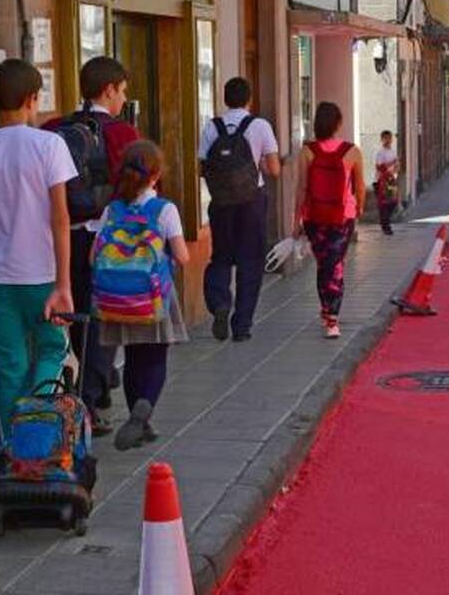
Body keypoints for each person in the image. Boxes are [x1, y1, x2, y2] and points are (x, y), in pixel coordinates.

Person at [0, 58, 75, 441]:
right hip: (40, 274)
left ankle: (15, 450)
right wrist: (64, 284)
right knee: (53, 348)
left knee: (8, 366)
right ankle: (40, 434)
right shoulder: (49, 145)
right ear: (31, 99)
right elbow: (60, 219)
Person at [41, 56, 141, 435]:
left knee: (73, 316)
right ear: (109, 89)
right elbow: (139, 189)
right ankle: (93, 399)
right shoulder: (123, 135)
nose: (123, 98)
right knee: (103, 320)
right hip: (105, 238)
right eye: (123, 91)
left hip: (61, 237)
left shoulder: (53, 128)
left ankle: (76, 390)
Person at [90, 141, 190, 451]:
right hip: (154, 296)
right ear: (156, 175)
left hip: (118, 299)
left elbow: (93, 257)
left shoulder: (112, 209)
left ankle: (139, 420)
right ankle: (143, 408)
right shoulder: (164, 210)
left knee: (132, 356)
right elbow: (183, 256)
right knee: (155, 356)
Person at [199, 77, 281, 342]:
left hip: (221, 203)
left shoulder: (212, 127)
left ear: (224, 99)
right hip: (251, 203)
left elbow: (203, 165)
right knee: (251, 263)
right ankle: (242, 325)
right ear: (249, 99)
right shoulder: (260, 126)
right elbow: (274, 170)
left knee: (221, 257)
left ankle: (220, 302)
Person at [295, 102, 366, 339]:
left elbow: (302, 188)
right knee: (335, 265)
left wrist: (297, 219)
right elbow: (359, 187)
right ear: (338, 123)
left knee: (324, 264)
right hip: (342, 218)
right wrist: (360, 209)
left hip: (314, 218)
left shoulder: (307, 152)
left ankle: (327, 310)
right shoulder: (352, 152)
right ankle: (332, 317)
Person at [373, 130, 399, 236]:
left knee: (393, 202)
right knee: (384, 204)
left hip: (392, 180)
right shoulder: (381, 152)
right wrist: (392, 163)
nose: (388, 140)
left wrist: (396, 168)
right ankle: (386, 226)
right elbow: (379, 166)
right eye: (386, 138)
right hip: (382, 181)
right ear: (382, 139)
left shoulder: (393, 151)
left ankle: (386, 221)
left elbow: (397, 164)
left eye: (389, 138)